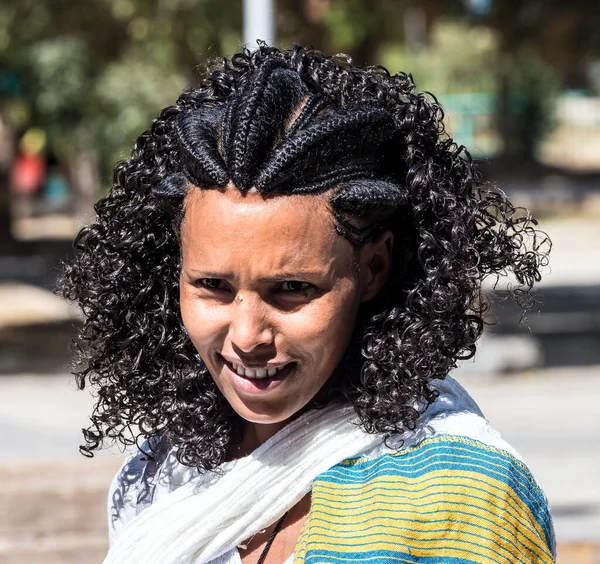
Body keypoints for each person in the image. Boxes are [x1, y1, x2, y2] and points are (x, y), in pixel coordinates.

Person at [57, 44, 555, 564]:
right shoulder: (162, 474)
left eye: (292, 288)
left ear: (374, 269)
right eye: (212, 286)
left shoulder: (460, 499)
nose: (248, 336)